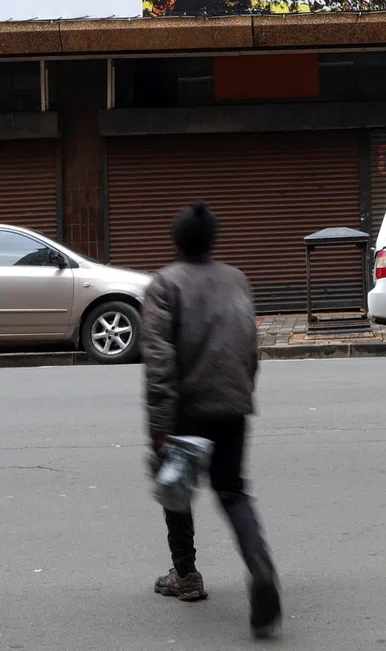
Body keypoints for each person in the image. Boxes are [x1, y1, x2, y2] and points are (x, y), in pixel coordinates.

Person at [141, 201, 282, 638]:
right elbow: (250, 349)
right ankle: (259, 564)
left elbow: (160, 366)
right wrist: (242, 395)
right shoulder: (236, 280)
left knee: (176, 491)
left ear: (176, 240)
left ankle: (185, 575)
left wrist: (159, 431)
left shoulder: (165, 284)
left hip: (187, 409)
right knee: (233, 491)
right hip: (232, 405)